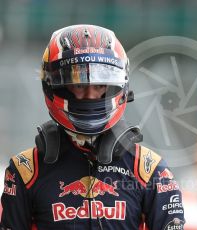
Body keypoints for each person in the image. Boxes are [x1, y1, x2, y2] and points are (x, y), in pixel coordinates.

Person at [0, 24, 185, 230]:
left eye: (99, 86)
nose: (90, 96)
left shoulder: (149, 169)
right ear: (53, 86)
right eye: (79, 84)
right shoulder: (26, 169)